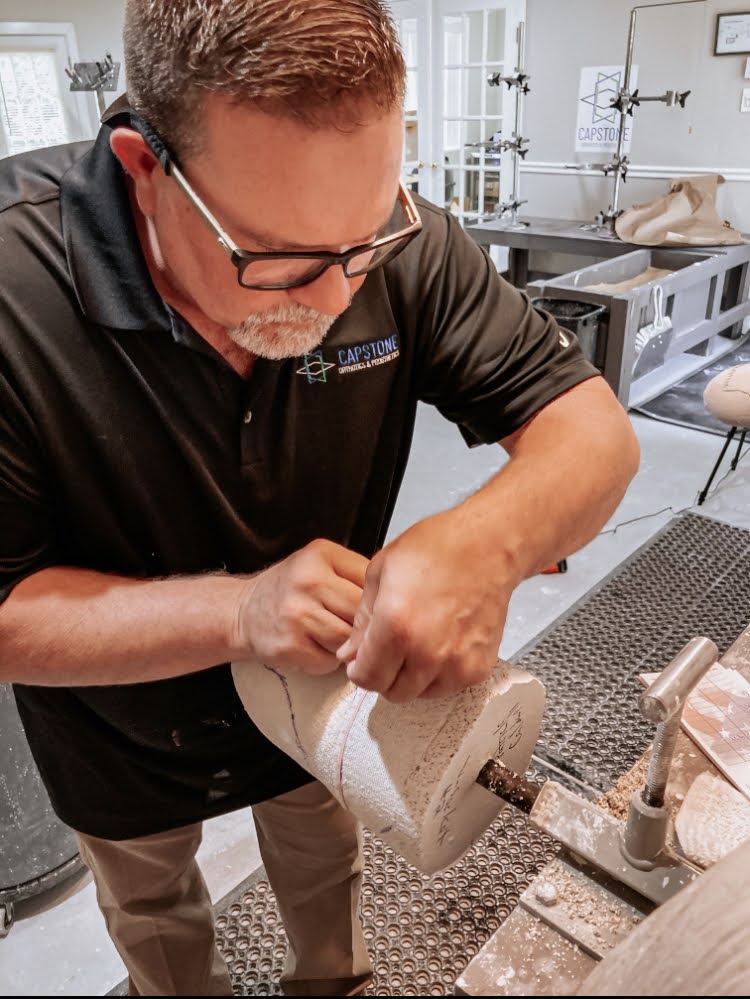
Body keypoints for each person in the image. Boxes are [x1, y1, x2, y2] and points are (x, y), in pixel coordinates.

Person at [0, 1, 640, 995]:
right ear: (142, 166)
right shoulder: (12, 290)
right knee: (155, 911)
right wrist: (239, 611)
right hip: (113, 728)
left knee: (324, 870)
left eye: (365, 242)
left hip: (328, 691)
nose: (336, 298)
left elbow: (593, 434)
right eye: (280, 257)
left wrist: (489, 543)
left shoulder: (391, 238)